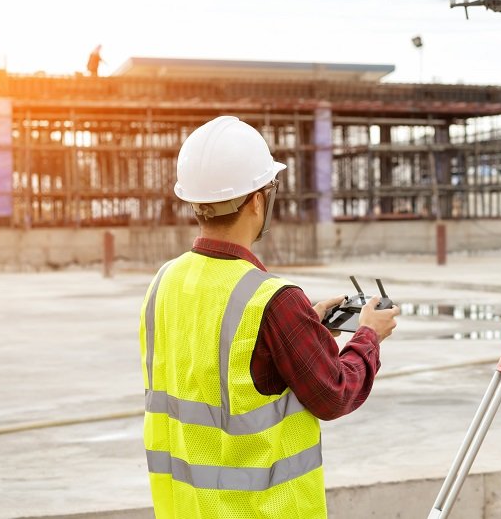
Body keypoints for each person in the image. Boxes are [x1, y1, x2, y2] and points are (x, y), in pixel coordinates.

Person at [139, 116, 398, 518]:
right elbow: (334, 394)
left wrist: (302, 325)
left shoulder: (164, 282)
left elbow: (216, 367)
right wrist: (368, 335)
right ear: (259, 199)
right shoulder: (273, 300)